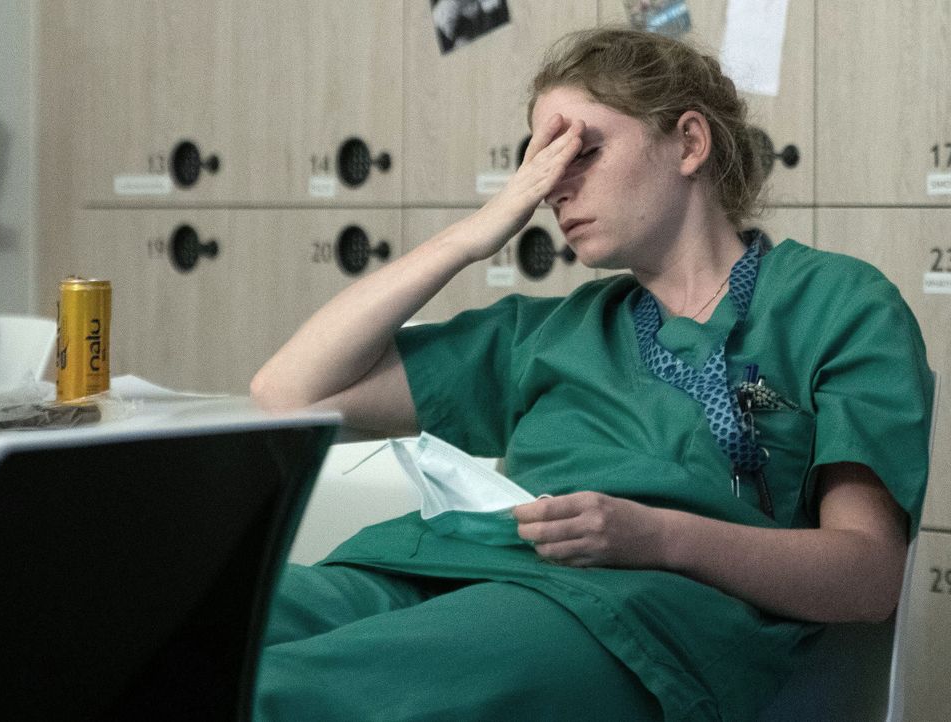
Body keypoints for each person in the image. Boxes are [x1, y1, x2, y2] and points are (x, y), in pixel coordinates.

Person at [249, 26, 933, 722]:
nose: (551, 188)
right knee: (193, 636)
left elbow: (868, 574)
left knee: (293, 693)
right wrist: (477, 232)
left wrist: (661, 537)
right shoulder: (551, 331)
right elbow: (288, 390)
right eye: (539, 163)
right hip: (438, 564)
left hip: (618, 615)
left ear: (689, 143)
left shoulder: (840, 304)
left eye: (580, 150)